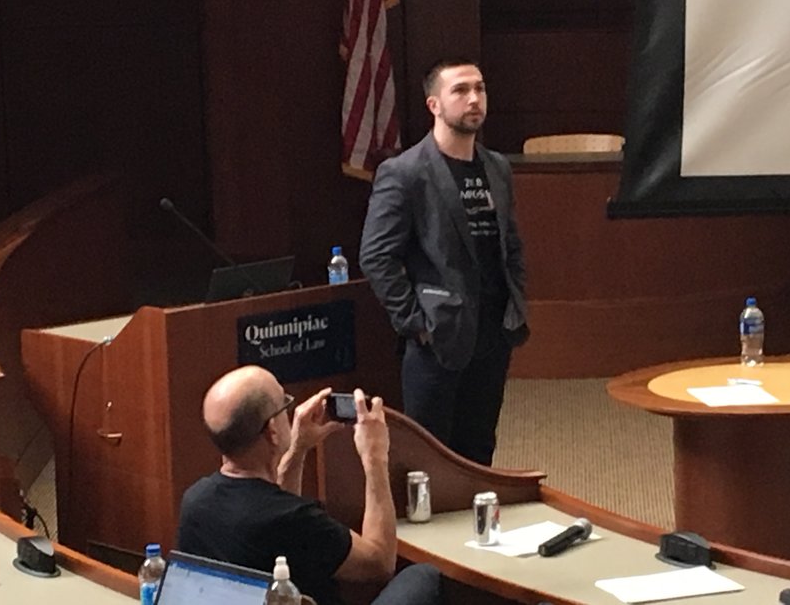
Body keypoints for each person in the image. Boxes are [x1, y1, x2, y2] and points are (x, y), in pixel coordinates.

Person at [360, 58, 529, 466]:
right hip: (437, 336)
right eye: (461, 90)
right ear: (434, 104)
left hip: (493, 332)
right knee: (429, 457)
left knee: (479, 451)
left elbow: (510, 242)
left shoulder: (496, 167)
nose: (474, 99)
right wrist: (415, 323)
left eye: (480, 88)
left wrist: (516, 302)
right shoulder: (404, 173)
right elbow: (376, 255)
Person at [176, 366, 440, 605]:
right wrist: (375, 457)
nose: (290, 412)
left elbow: (273, 505)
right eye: (284, 405)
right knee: (424, 576)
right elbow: (379, 562)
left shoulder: (195, 502)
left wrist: (298, 448)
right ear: (272, 431)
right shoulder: (294, 520)